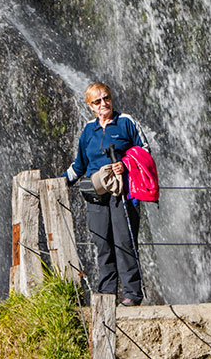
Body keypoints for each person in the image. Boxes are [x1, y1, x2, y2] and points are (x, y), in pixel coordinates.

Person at [62, 81, 151, 306]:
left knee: (124, 241)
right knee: (102, 244)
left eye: (107, 98)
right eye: (97, 101)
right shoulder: (88, 130)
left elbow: (145, 151)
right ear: (90, 106)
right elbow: (79, 164)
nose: (104, 103)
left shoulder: (125, 122)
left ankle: (132, 293)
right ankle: (107, 294)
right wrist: (60, 181)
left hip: (122, 192)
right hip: (95, 194)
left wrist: (126, 163)